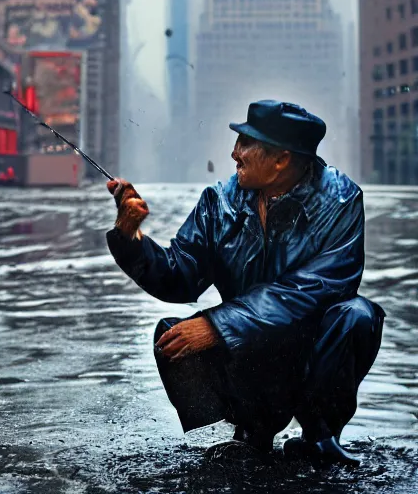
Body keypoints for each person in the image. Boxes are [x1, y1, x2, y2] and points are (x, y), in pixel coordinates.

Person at [106, 100, 385, 466]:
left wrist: (217, 325)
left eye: (245, 144)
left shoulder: (342, 200)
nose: (234, 153)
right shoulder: (218, 201)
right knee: (172, 339)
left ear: (281, 160)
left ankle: (320, 436)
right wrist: (131, 236)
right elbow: (179, 277)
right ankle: (252, 432)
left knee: (356, 315)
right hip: (250, 350)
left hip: (310, 344)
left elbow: (318, 288)